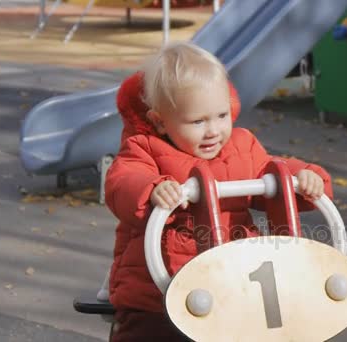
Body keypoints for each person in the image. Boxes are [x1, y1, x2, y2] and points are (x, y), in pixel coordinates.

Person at [105, 41, 333, 341]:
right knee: (148, 331)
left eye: (221, 116)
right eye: (198, 121)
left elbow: (270, 170)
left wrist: (305, 180)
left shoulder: (241, 147)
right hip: (160, 285)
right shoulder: (145, 149)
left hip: (234, 280)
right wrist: (152, 190)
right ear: (160, 122)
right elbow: (122, 182)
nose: (213, 130)